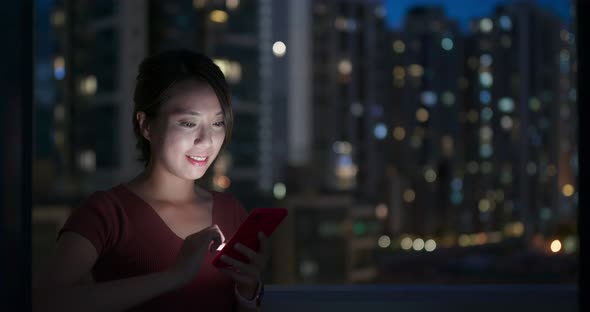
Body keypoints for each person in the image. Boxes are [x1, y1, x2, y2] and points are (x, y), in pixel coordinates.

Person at [33, 49, 267, 311]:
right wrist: (174, 276)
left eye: (217, 123)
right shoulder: (108, 213)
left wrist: (247, 295)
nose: (206, 141)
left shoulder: (231, 212)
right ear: (146, 125)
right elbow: (44, 300)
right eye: (188, 124)